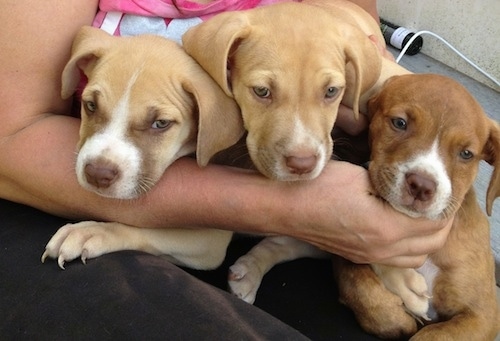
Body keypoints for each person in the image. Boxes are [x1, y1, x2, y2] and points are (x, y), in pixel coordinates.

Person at [0, 0, 451, 271]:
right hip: (66, 192)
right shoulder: (175, 58)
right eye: (260, 92)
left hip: (324, 216)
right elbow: (12, 136)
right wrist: (290, 208)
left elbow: (365, 45)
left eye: (331, 92)